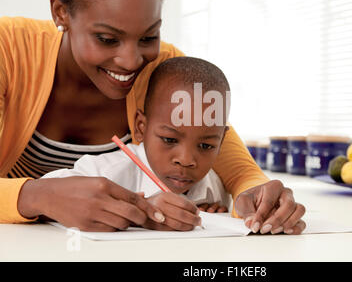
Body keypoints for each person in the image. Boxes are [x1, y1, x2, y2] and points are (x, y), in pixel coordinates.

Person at [0, 0, 306, 235]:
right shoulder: (8, 50)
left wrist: (261, 201)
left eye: (148, 37)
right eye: (107, 39)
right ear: (61, 13)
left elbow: (239, 172)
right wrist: (39, 196)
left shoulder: (166, 71)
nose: (132, 61)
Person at [43, 56, 305, 233]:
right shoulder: (107, 171)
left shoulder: (213, 185)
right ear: (141, 127)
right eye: (169, 139)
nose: (187, 159)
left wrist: (212, 213)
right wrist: (142, 213)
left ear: (222, 141)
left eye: (205, 146)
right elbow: (47, 193)